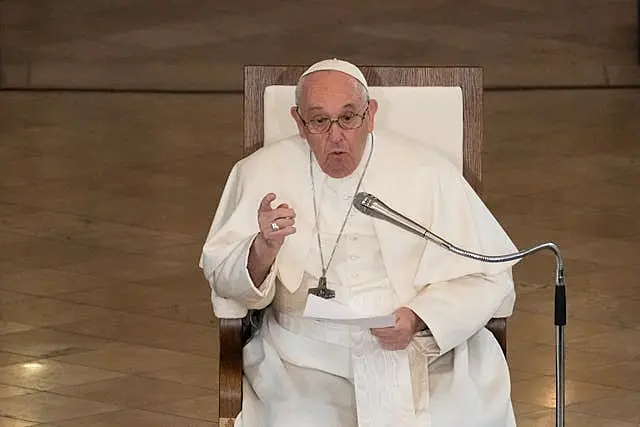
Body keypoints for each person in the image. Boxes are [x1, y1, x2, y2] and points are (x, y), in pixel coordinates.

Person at [199, 58, 519, 427]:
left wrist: (419, 318)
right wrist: (262, 249)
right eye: (319, 120)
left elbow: (489, 275)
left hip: (423, 352)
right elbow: (223, 279)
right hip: (305, 358)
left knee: (459, 414)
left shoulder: (427, 173)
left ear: (371, 116)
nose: (336, 136)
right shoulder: (259, 172)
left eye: (349, 117)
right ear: (299, 122)